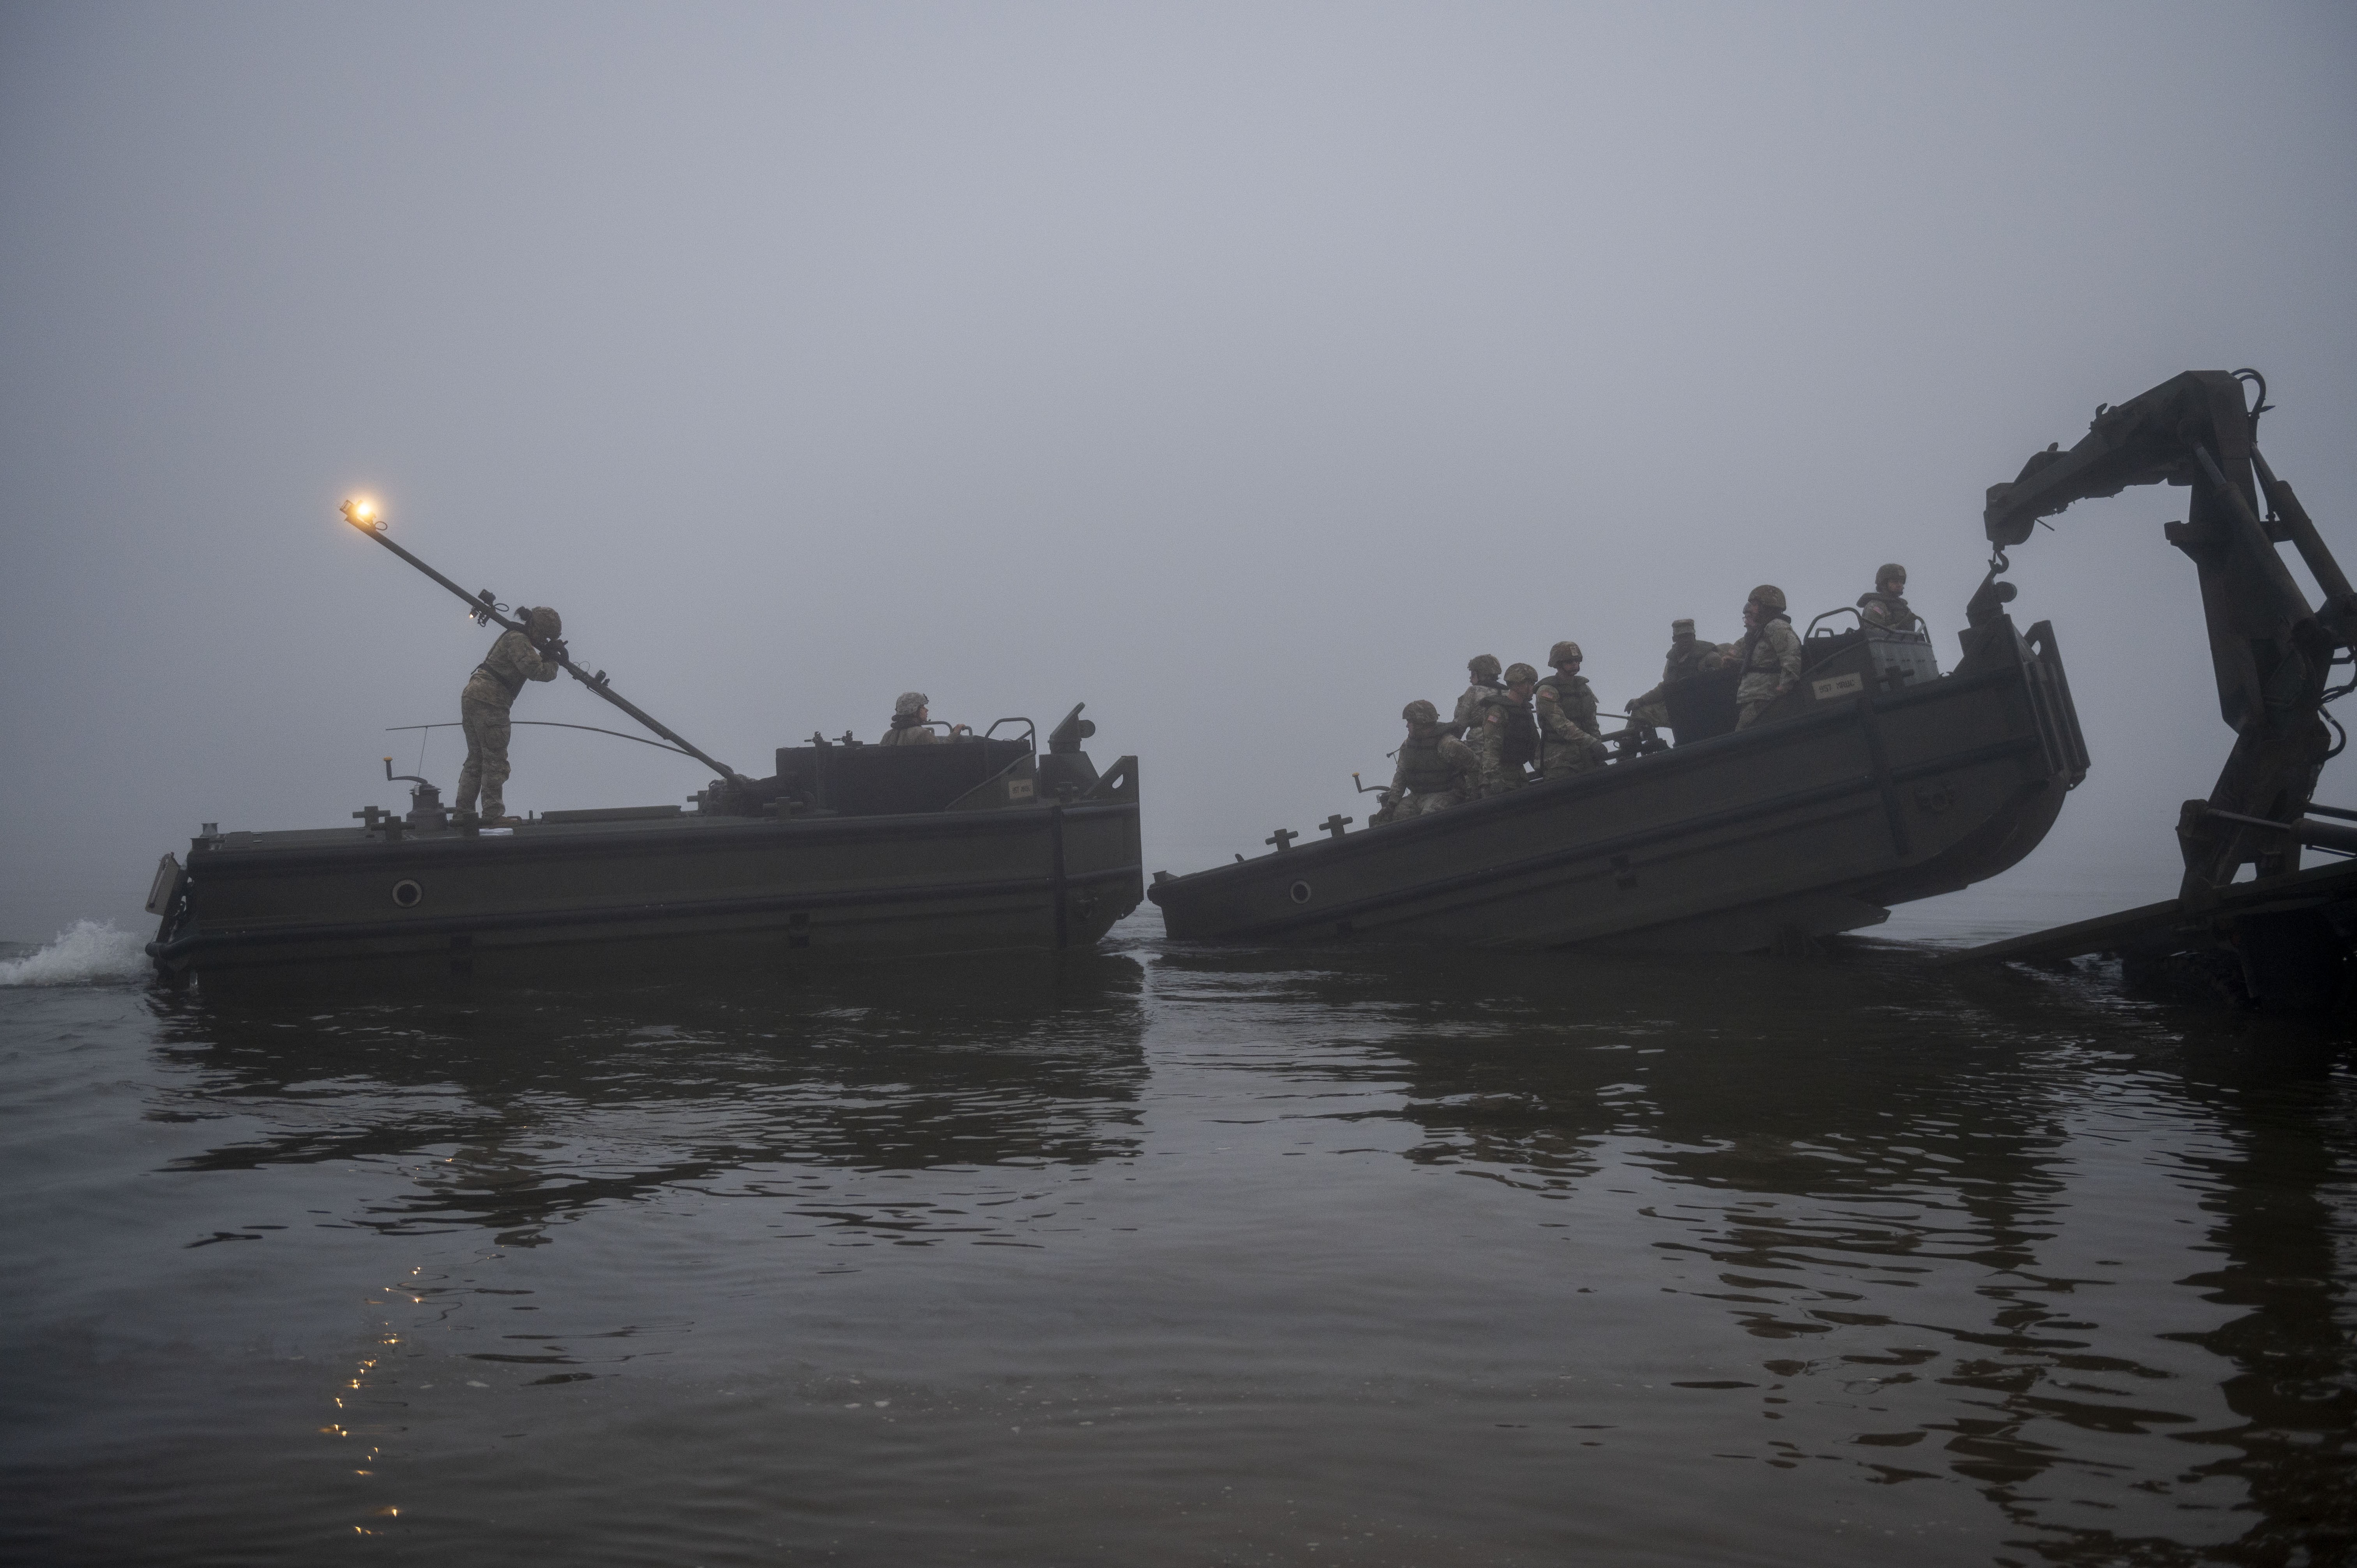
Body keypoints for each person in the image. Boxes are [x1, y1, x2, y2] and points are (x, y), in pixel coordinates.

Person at [455, 606, 564, 823]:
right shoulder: (519, 640)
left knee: (476, 759)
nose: (543, 640)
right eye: (544, 636)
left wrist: (547, 654)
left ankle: (463, 814)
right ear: (535, 627)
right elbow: (537, 671)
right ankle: (494, 815)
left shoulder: (516, 638)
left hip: (474, 696)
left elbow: (529, 662)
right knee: (495, 760)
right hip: (491, 701)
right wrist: (554, 661)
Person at [1373, 700, 1481, 823]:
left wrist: (1475, 796)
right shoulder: (1408, 746)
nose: (1407, 726)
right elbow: (1402, 775)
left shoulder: (1447, 744)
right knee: (1392, 818)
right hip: (1417, 796)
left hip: (1446, 793)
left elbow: (1474, 765)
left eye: (1410, 722)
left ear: (1421, 723)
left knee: (1428, 819)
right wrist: (1391, 805)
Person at [1535, 641, 1608, 779]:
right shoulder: (1547, 691)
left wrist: (1597, 747)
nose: (1575, 665)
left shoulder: (1583, 688)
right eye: (1570, 662)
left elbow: (1591, 722)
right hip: (1559, 760)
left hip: (1585, 757)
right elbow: (1561, 725)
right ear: (1558, 664)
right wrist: (1592, 743)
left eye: (1577, 661)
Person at [1733, 585, 1802, 729]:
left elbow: (1791, 653)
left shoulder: (1776, 627)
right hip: (1755, 698)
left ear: (1766, 607)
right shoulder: (1761, 632)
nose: (1752, 610)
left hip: (1764, 698)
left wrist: (1785, 685)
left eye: (1756, 605)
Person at [1628, 620, 1710, 729]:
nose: (1685, 640)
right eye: (1681, 637)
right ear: (1674, 639)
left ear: (1694, 636)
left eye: (1688, 636)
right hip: (1678, 708)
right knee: (1638, 713)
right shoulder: (1673, 661)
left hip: (1700, 709)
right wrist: (1641, 701)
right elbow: (1665, 688)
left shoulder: (1707, 656)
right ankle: (1631, 742)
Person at [1477, 663, 1541, 794]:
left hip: (1519, 777)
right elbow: (1491, 750)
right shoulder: (1498, 711)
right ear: (1517, 685)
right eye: (1529, 684)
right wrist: (1495, 780)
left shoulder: (1526, 712)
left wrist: (1543, 769)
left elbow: (1535, 747)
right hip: (1498, 778)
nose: (1532, 689)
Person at [878, 691, 969, 745]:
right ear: (914, 711)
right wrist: (955, 734)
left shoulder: (888, 736)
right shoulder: (922, 734)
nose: (927, 710)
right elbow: (941, 754)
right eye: (922, 707)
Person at [1447, 654, 1504, 740]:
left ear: (1483, 675)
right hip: (1505, 746)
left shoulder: (1473, 692)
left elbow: (1459, 726)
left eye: (1473, 675)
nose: (1471, 679)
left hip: (1477, 746)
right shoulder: (1508, 693)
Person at [1857, 563, 1919, 634]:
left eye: (1901, 582)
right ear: (1884, 584)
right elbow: (1873, 634)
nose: (1899, 585)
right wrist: (1899, 627)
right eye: (1895, 582)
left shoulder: (1904, 608)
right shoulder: (1876, 607)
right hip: (1884, 644)